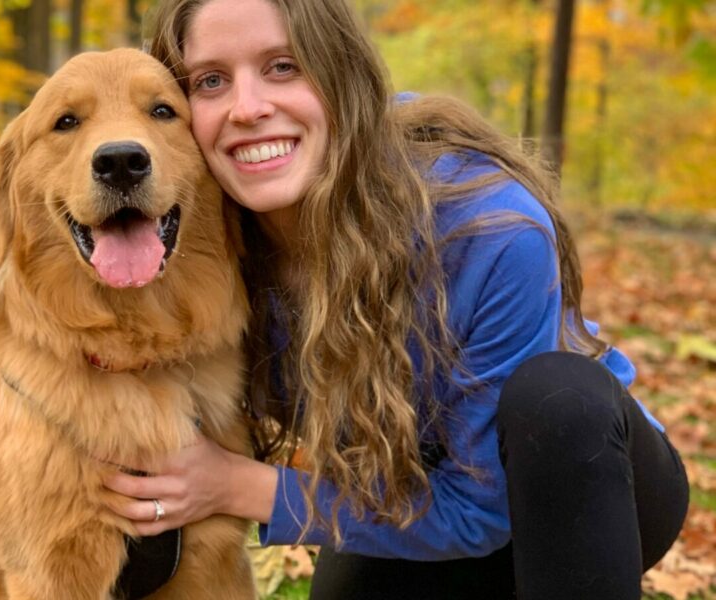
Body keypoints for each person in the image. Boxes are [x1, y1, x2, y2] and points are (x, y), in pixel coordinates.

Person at [103, 0, 690, 597]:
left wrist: (234, 485)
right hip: (398, 497)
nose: (248, 108)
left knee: (559, 398)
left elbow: (482, 509)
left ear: (341, 73)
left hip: (580, 487)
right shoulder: (202, 247)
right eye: (210, 81)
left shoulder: (488, 228)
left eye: (284, 66)